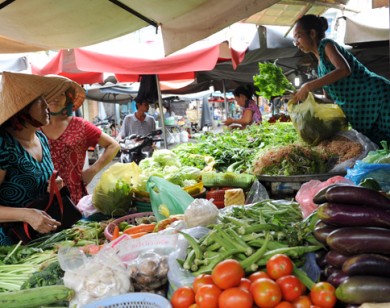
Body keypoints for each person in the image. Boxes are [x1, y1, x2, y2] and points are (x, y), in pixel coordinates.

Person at [292, 14, 390, 146]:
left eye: (298, 36)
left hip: (376, 97)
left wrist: (309, 86)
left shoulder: (326, 45)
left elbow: (344, 69)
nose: (297, 42)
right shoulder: (320, 67)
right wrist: (305, 95)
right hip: (363, 111)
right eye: (295, 39)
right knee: (383, 147)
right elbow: (330, 99)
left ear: (312, 33)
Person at [0, 72, 64, 245]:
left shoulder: (41, 138)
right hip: (10, 246)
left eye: (45, 99)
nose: (46, 105)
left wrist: (55, 184)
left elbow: (41, 183)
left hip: (42, 239)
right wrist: (26, 215)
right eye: (39, 100)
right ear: (21, 108)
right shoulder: (3, 144)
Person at [41, 76, 120, 204]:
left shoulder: (80, 126)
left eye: (60, 94)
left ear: (67, 99)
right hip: (40, 198)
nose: (55, 98)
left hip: (73, 198)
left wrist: (92, 171)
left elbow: (113, 145)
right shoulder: (33, 127)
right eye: (51, 93)